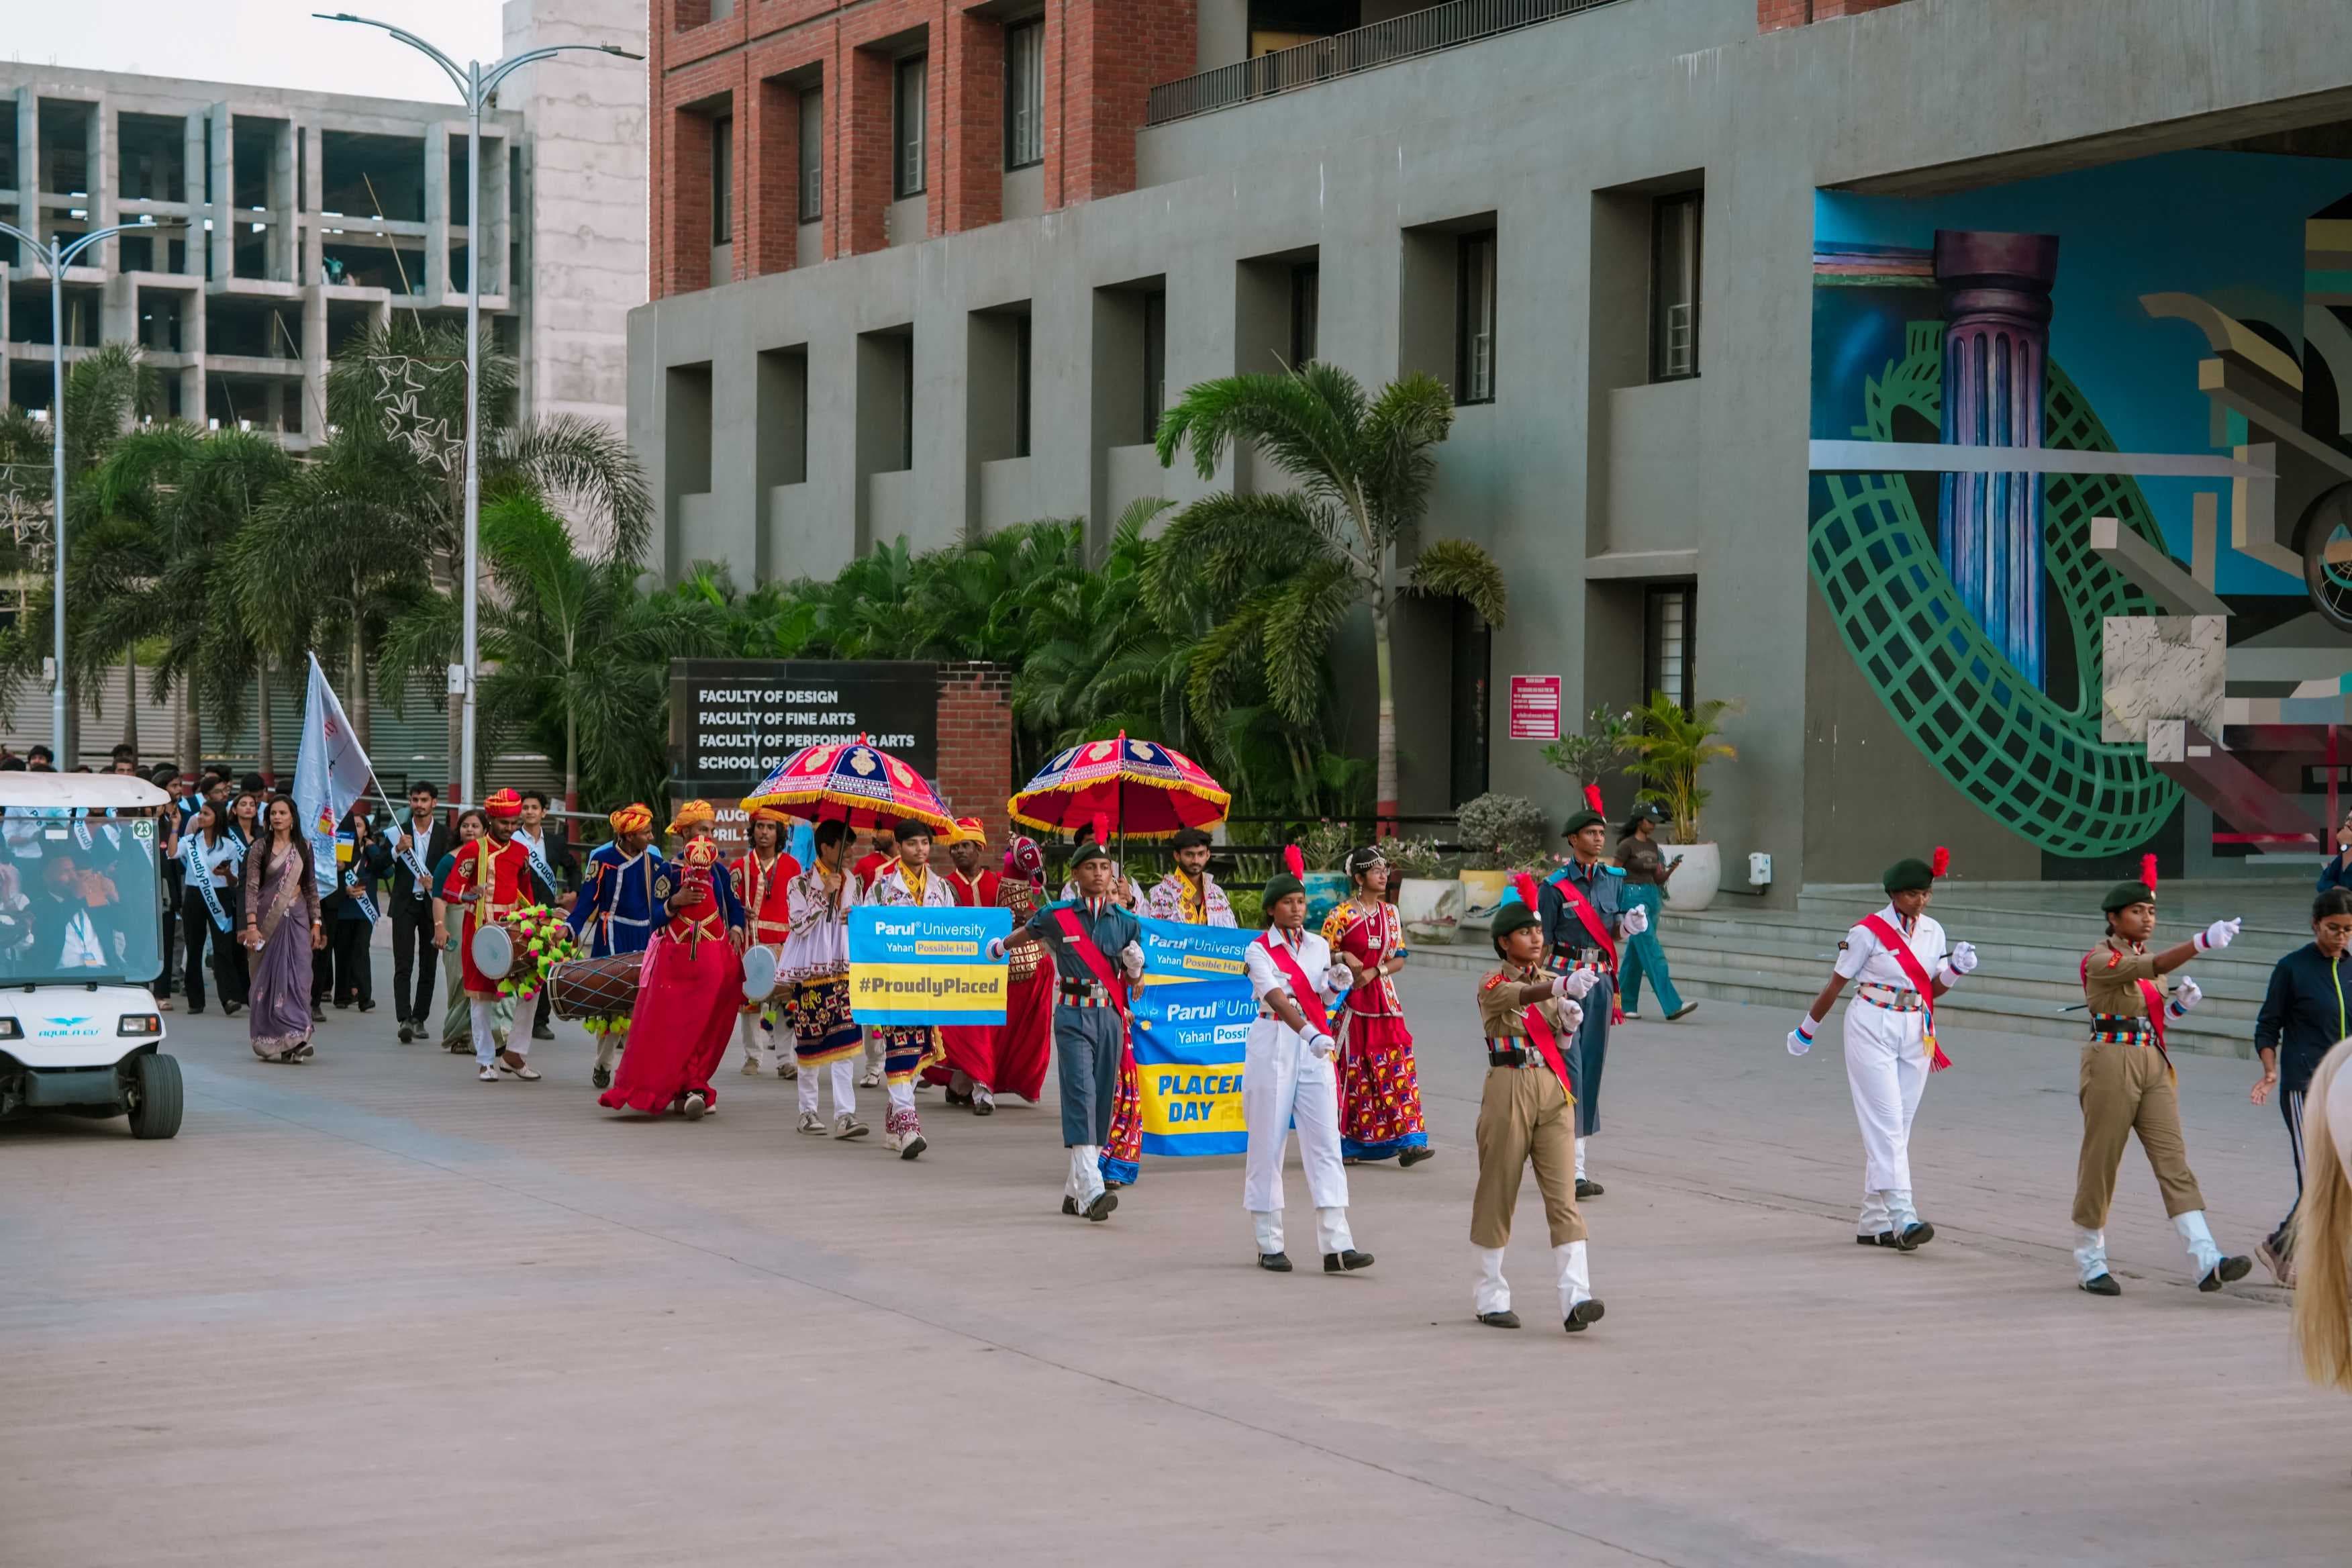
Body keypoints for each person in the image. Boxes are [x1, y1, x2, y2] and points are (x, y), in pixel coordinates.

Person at [2071, 859, 2250, 1297]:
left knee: (2174, 1163)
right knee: (2102, 1162)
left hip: (2152, 1060)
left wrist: (2180, 1008)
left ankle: (2206, 1260)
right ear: (2113, 918)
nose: (2147, 918)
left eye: (2151, 912)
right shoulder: (2100, 959)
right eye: (2136, 911)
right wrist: (2202, 942)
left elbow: (2151, 1017)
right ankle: (2090, 1262)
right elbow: (2148, 969)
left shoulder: (2148, 962)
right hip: (2111, 1062)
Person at [1785, 850, 1977, 1251]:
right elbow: (1836, 984)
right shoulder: (1866, 932)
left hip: (1917, 1027)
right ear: (1893, 894)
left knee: (1898, 1128)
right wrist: (1807, 1029)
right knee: (1886, 1121)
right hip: (1872, 1022)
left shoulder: (1934, 932)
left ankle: (1873, 1223)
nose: (1920, 901)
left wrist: (1956, 970)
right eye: (1911, 894)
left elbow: (1932, 988)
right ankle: (1903, 1217)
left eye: (1925, 893)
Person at [1474, 879, 1606, 1332]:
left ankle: (1577, 1298)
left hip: (1552, 1089)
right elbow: (1517, 998)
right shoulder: (1493, 983)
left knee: (1564, 1196)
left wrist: (1568, 1025)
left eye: (1538, 931)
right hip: (1509, 1087)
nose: (1536, 938)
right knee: (1499, 1191)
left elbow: (1558, 1039)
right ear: (1503, 943)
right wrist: (1560, 988)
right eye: (1525, 932)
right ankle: (1490, 1294)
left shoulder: (1552, 983)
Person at [1244, 849, 1370, 1273]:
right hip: (1276, 1042)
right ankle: (1269, 1241)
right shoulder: (1257, 950)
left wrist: (1335, 986)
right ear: (1271, 909)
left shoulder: (1318, 945)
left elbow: (1320, 996)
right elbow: (1277, 998)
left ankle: (1338, 1244)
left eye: (1300, 901)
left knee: (1326, 1143)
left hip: (1314, 1048)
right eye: (1288, 902)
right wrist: (1311, 1032)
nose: (1297, 908)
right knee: (1268, 1142)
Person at [599, 800, 748, 1120]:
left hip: (711, 963)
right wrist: (675, 902)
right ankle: (674, 1088)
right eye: (701, 831)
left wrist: (736, 928)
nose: (708, 836)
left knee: (704, 1025)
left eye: (711, 831)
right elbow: (654, 918)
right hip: (675, 964)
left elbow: (734, 908)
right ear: (684, 834)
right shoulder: (667, 871)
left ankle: (693, 1086)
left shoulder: (720, 871)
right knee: (671, 1027)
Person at [1536, 785, 1650, 1199]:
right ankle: (1567, 1167)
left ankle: (1578, 1166)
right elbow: (1541, 942)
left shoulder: (1612, 880)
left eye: (1602, 833)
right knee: (1569, 1070)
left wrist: (1629, 926)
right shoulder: (1554, 887)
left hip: (1600, 982)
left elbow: (1612, 930)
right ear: (1572, 839)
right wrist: (1540, 990)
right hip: (1565, 980)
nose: (1599, 839)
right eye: (1591, 833)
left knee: (1591, 1068)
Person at [1022, 840, 1143, 1221]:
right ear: (1075, 875)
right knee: (1080, 1092)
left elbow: (1135, 980)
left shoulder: (1126, 922)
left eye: (1104, 868)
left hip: (1108, 1016)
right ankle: (1091, 1189)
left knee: (1102, 1098)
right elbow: (1026, 934)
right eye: (1089, 867)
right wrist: (997, 948)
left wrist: (1136, 968)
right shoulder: (1057, 915)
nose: (1098, 874)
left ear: (1112, 874)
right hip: (1073, 1014)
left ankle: (1073, 1192)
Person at [2251, 887, 2352, 1285]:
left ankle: (2282, 1246)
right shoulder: (2292, 968)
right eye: (2333, 929)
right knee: (2316, 1181)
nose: (2341, 937)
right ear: (2315, 925)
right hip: (2303, 1088)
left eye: (2347, 930)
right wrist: (2270, 1069)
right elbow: (2267, 1025)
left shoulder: (2350, 967)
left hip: (2344, 1090)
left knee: (2343, 1176)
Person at [1323, 844, 1431, 1167]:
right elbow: (1320, 954)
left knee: (1399, 1067)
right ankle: (1351, 1142)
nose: (1383, 875)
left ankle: (1411, 1140)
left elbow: (1399, 957)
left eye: (1385, 870)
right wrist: (1343, 956)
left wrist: (1374, 970)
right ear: (1359, 877)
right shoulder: (1340, 915)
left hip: (1385, 1000)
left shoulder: (1391, 914)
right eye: (1375, 870)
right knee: (1353, 1073)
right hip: (1350, 1003)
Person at [440, 789, 546, 1083]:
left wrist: (540, 919)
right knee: (481, 998)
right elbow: (449, 889)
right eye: (504, 823)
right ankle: (486, 1061)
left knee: (532, 989)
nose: (511, 829)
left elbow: (527, 893)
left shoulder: (522, 852)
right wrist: (469, 893)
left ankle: (514, 1054)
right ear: (491, 820)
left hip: (514, 933)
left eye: (514, 823)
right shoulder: (474, 850)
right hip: (481, 934)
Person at [867, 818, 954, 1158]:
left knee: (919, 1050)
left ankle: (893, 1121)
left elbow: (953, 935)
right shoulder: (880, 889)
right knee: (899, 1046)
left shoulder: (942, 889)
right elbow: (869, 937)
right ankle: (907, 1123)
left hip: (930, 983)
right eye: (912, 844)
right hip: (894, 982)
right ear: (898, 847)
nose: (920, 850)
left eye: (924, 843)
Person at [566, 802, 665, 1089]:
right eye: (646, 832)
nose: (651, 838)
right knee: (613, 1006)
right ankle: (603, 1064)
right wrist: (569, 927)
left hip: (645, 937)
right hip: (611, 936)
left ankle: (636, 1070)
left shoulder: (656, 864)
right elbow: (587, 901)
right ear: (629, 836)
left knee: (643, 1007)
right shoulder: (603, 860)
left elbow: (664, 906)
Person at [781, 818, 867, 1138]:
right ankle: (808, 1111)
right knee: (810, 1044)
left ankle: (846, 1115)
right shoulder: (799, 883)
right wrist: (823, 895)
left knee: (846, 1042)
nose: (848, 855)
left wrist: (853, 918)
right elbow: (798, 925)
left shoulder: (852, 881)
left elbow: (856, 922)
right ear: (826, 847)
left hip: (843, 970)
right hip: (812, 973)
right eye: (844, 847)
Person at [932, 817, 1009, 1111]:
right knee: (967, 1033)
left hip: (995, 973)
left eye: (965, 845)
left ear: (980, 848)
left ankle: (973, 1087)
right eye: (954, 847)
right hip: (958, 975)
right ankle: (975, 1088)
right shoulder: (942, 887)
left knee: (986, 1031)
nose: (959, 851)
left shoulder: (999, 882)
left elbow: (1025, 916)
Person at [242, 795, 324, 1063]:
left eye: (282, 813)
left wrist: (316, 923)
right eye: (273, 813)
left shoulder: (303, 847)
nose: (277, 817)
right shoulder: (260, 848)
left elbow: (311, 887)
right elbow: (252, 888)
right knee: (267, 981)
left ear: (292, 817)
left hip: (298, 918)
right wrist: (252, 925)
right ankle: (272, 1039)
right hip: (268, 921)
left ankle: (297, 1037)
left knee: (299, 978)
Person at [985, 836, 1055, 1111]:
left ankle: (996, 1079)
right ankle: (983, 1080)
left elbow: (1035, 875)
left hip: (1029, 957)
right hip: (1010, 948)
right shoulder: (1022, 845)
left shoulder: (1024, 846)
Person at [732, 806, 801, 1078]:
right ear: (752, 830)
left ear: (779, 832)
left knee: (786, 1002)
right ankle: (752, 1057)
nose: (764, 832)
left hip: (785, 942)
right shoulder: (740, 867)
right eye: (760, 827)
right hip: (752, 940)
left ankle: (786, 1060)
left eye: (771, 828)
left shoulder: (793, 866)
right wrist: (739, 911)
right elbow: (730, 906)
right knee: (750, 1002)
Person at [1614, 805, 1695, 1022]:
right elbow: (1614, 874)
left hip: (1652, 896)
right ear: (1639, 820)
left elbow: (1659, 879)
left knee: (1636, 955)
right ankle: (1672, 1005)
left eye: (1654, 821)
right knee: (1652, 951)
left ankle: (1623, 1004)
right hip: (1633, 898)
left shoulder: (1652, 845)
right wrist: (1615, 906)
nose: (1653, 824)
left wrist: (1672, 868)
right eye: (1649, 820)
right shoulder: (1626, 845)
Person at [387, 781, 452, 1044]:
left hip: (431, 905)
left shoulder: (446, 835)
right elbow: (380, 863)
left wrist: (435, 883)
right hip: (404, 904)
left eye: (424, 800)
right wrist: (397, 850)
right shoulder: (398, 832)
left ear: (434, 803)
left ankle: (419, 1018)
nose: (419, 805)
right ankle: (403, 1019)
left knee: (428, 964)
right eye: (415, 800)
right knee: (403, 963)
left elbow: (451, 870)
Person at [513, 790, 574, 1042]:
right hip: (520, 909)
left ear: (544, 812)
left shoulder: (555, 842)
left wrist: (573, 892)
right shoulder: (514, 840)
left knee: (546, 963)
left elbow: (572, 867)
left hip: (548, 911)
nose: (529, 811)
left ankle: (540, 1021)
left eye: (534, 807)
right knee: (521, 963)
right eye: (525, 807)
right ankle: (516, 1018)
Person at [433, 810, 492, 1056]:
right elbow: (439, 897)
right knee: (459, 978)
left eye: (475, 826)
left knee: (485, 977)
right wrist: (440, 927)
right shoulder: (449, 861)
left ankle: (486, 1036)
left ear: (485, 831)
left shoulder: (492, 859)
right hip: (457, 920)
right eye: (465, 826)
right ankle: (459, 1035)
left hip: (487, 922)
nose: (469, 830)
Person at [177, 799, 240, 1014]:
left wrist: (227, 874)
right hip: (194, 895)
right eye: (200, 814)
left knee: (223, 947)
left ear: (217, 818)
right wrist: (175, 826)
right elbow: (171, 854)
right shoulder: (189, 842)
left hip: (220, 897)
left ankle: (229, 998)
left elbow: (235, 881)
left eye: (206, 814)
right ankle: (195, 1000)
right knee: (194, 947)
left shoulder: (230, 846)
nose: (200, 817)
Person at [326, 807, 387, 1012]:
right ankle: (342, 995)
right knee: (342, 951)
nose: (356, 829)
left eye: (359, 826)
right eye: (353, 826)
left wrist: (372, 849)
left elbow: (387, 871)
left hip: (365, 910)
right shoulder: (342, 848)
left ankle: (364, 996)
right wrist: (345, 888)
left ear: (367, 831)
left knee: (361, 950)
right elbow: (338, 873)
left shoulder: (371, 852)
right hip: (344, 907)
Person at [1144, 827, 1234, 925]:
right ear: (1177, 856)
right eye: (1189, 855)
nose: (1196, 861)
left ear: (1208, 855)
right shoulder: (1160, 893)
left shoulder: (1217, 894)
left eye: (1201, 854)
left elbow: (1230, 935)